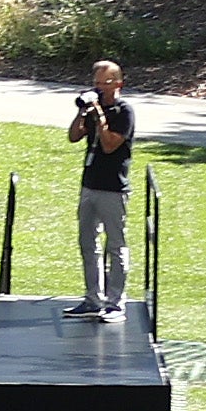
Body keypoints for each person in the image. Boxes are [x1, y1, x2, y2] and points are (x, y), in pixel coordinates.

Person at [66, 58, 136, 321]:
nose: (98, 89)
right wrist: (83, 112)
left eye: (103, 84)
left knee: (115, 246)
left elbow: (109, 145)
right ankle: (92, 298)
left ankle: (116, 303)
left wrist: (100, 116)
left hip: (113, 188)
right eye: (95, 83)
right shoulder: (94, 110)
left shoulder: (124, 112)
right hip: (89, 185)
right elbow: (73, 136)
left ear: (118, 84)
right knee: (88, 243)